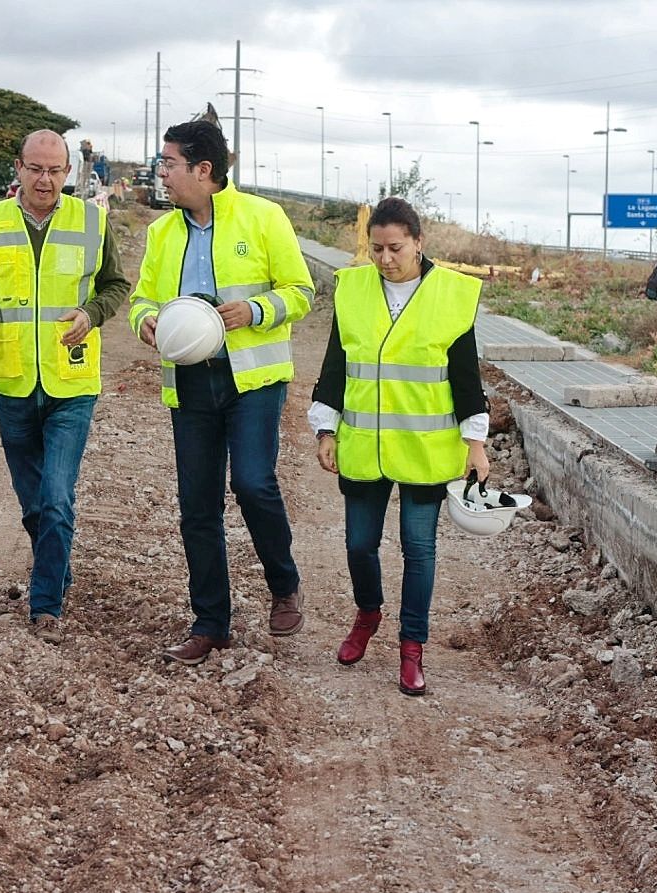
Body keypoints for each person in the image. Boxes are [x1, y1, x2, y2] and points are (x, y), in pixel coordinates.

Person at [130, 119, 315, 666]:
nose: (161, 173)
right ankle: (211, 624)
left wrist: (256, 310)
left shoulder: (263, 218)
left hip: (251, 379)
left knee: (254, 483)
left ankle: (284, 584)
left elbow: (301, 291)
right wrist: (145, 322)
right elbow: (141, 298)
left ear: (203, 170)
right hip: (190, 382)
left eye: (169, 163)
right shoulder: (162, 233)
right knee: (197, 506)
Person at [310, 197, 488, 697]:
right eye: (376, 249)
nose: (385, 259)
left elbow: (465, 376)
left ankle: (412, 648)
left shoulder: (451, 295)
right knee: (359, 545)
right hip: (364, 445)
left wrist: (476, 443)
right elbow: (335, 366)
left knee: (419, 548)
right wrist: (327, 429)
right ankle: (368, 613)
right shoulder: (353, 289)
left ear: (418, 242)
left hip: (425, 450)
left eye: (395, 248)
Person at [0, 130, 130, 643]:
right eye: (36, 169)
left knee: (57, 497)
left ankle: (45, 607)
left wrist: (91, 312)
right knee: (33, 504)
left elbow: (115, 285)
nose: (45, 179)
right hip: (13, 378)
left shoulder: (92, 221)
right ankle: (57, 570)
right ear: (17, 167)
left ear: (69, 172)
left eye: (56, 170)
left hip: (71, 377)